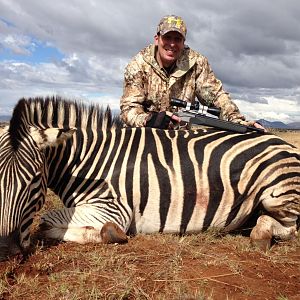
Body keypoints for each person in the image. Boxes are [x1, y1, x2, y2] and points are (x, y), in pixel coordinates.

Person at [120, 14, 265, 130]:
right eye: (167, 37)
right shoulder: (137, 65)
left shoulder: (196, 63)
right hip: (143, 135)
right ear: (157, 39)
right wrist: (149, 119)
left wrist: (237, 121)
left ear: (183, 42)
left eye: (177, 39)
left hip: (180, 141)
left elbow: (216, 96)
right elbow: (128, 110)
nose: (172, 44)